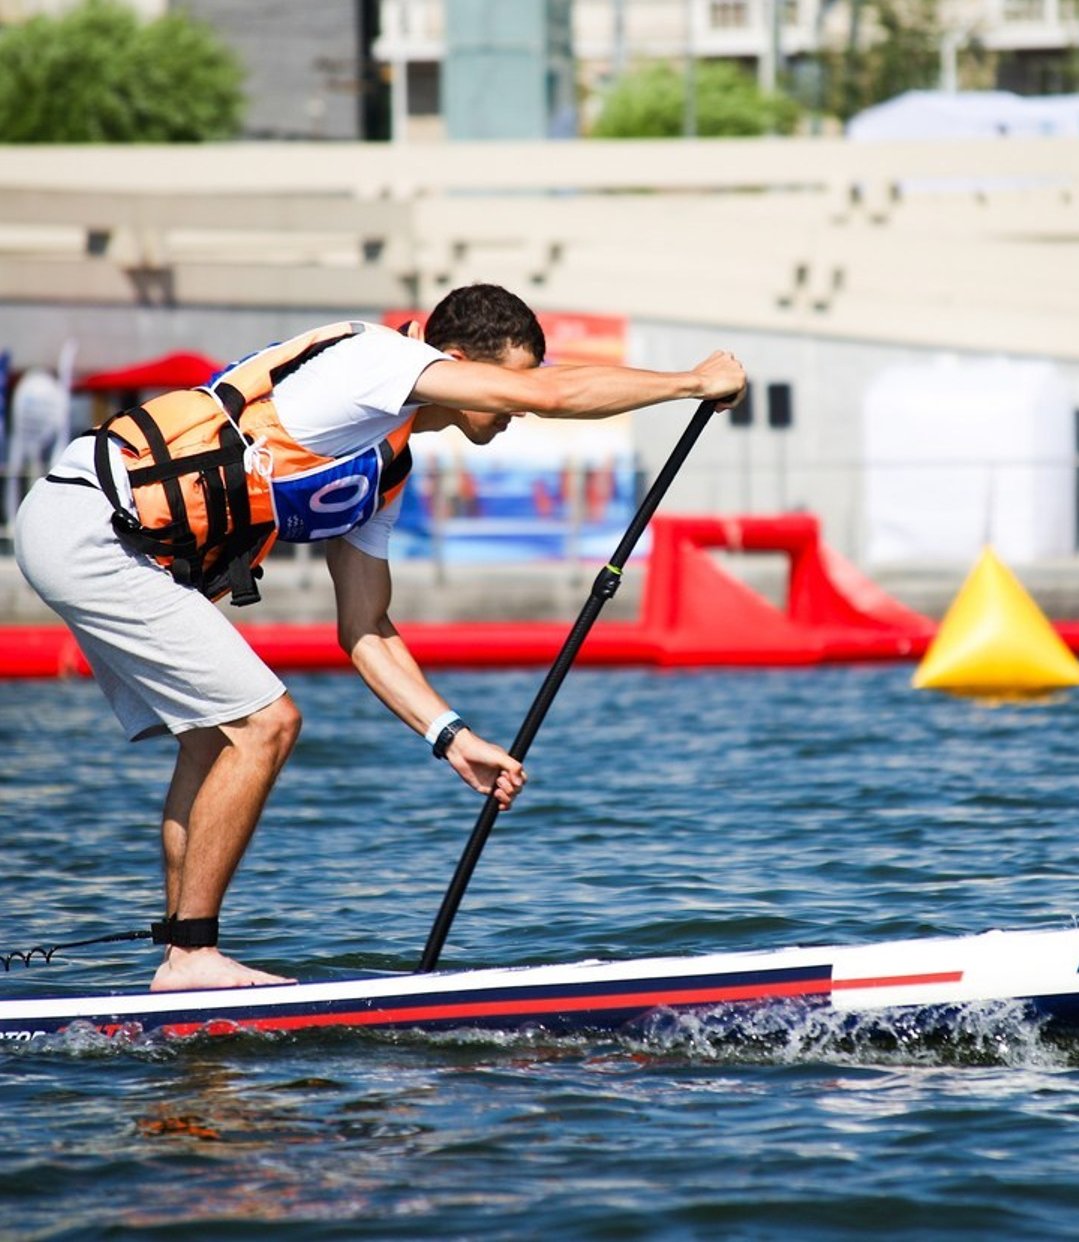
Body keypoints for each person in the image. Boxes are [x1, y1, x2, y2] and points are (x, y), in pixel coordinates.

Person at [14, 284, 746, 993]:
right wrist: (692, 382)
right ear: (456, 363)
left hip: (110, 540)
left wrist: (450, 735)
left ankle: (184, 954)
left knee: (215, 740)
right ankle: (191, 957)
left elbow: (364, 629)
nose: (517, 405)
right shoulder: (376, 362)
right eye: (506, 383)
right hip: (91, 525)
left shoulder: (382, 464)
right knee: (266, 724)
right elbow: (550, 396)